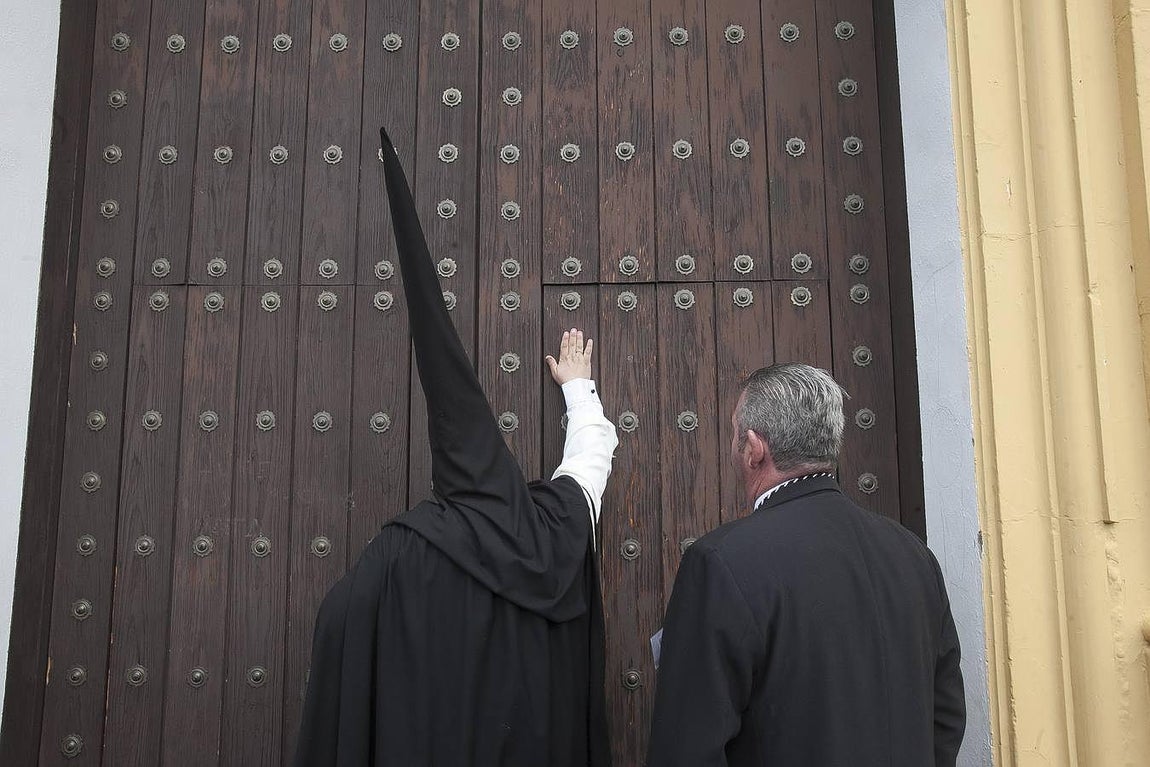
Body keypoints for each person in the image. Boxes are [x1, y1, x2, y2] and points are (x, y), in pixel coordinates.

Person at [293, 128, 617, 766]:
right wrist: (579, 390)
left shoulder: (401, 551)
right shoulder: (552, 530)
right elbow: (591, 462)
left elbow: (338, 621)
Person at [646, 363, 965, 766]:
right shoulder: (913, 555)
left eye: (734, 433)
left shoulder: (720, 560)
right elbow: (945, 718)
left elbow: (687, 746)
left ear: (753, 448)